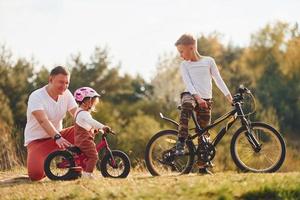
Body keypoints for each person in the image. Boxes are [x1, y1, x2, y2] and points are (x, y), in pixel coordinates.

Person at [174, 34, 233, 174]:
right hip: (191, 95)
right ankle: (181, 140)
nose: (181, 56)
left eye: (182, 51)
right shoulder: (185, 65)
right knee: (187, 105)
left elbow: (218, 79)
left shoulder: (208, 61)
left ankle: (202, 167)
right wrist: (198, 98)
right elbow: (188, 83)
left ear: (192, 47)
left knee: (204, 133)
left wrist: (229, 97)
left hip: (206, 100)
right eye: (179, 53)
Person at [24, 66, 78, 181]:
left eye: (67, 83)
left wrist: (93, 125)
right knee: (36, 175)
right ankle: (43, 165)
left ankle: (75, 166)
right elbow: (43, 120)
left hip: (58, 138)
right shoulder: (36, 96)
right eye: (61, 82)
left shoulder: (67, 94)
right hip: (37, 142)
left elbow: (78, 115)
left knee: (85, 129)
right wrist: (57, 137)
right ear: (51, 80)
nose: (64, 86)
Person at [73, 87, 111, 179]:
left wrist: (95, 130)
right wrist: (103, 127)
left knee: (89, 156)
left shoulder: (80, 112)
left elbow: (85, 124)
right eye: (93, 102)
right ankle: (87, 175)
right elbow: (91, 122)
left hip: (81, 139)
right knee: (93, 156)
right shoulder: (83, 113)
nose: (93, 105)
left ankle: (85, 171)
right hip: (84, 140)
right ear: (86, 101)